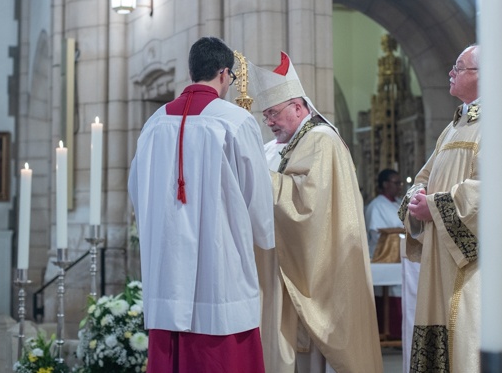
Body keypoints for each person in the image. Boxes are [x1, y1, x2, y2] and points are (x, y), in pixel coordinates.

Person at [128, 36, 275, 373]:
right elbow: (257, 197)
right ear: (224, 73)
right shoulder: (236, 121)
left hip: (167, 269)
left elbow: (137, 190)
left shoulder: (154, 123)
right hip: (221, 264)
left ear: (193, 71)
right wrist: (264, 235)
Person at [399, 44, 502, 372]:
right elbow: (422, 179)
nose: (450, 73)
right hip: (440, 264)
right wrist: (418, 200)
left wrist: (434, 207)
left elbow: (498, 191)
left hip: (479, 271)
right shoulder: (453, 129)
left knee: (470, 347)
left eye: (459, 67)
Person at [249, 51, 383, 373]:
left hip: (315, 270)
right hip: (281, 265)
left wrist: (254, 174)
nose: (269, 122)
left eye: (273, 113)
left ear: (298, 107)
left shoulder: (321, 140)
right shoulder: (275, 147)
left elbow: (307, 206)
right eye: (265, 115)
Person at [365, 168, 405, 340]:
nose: (399, 186)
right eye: (396, 183)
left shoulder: (398, 203)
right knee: (389, 291)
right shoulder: (376, 206)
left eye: (400, 183)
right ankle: (389, 331)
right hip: (385, 256)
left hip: (401, 256)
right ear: (385, 184)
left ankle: (400, 332)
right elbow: (377, 234)